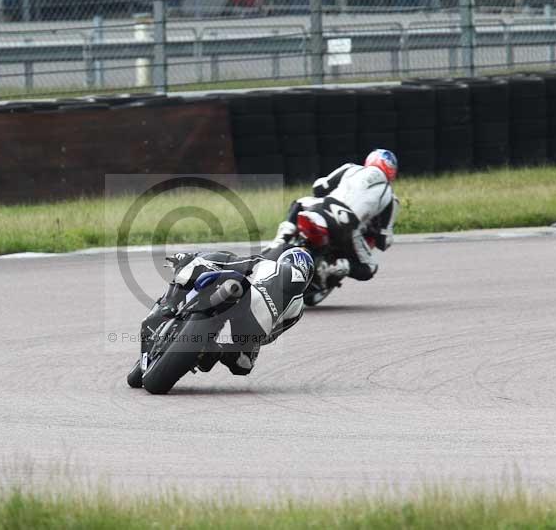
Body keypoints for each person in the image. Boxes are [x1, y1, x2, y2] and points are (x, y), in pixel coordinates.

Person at [138, 247, 314, 378]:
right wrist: (250, 339)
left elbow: (234, 262)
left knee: (206, 260)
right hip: (254, 327)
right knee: (243, 366)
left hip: (242, 294)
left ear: (284, 259)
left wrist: (194, 260)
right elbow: (271, 336)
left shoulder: (267, 264)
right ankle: (213, 351)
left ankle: (170, 302)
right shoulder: (298, 309)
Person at [271, 149, 400, 285]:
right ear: (392, 171)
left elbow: (319, 187)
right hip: (348, 228)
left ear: (369, 161)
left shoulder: (350, 168)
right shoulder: (391, 198)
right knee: (369, 268)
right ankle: (334, 267)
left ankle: (281, 238)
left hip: (323, 208)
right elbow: (385, 239)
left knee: (299, 202)